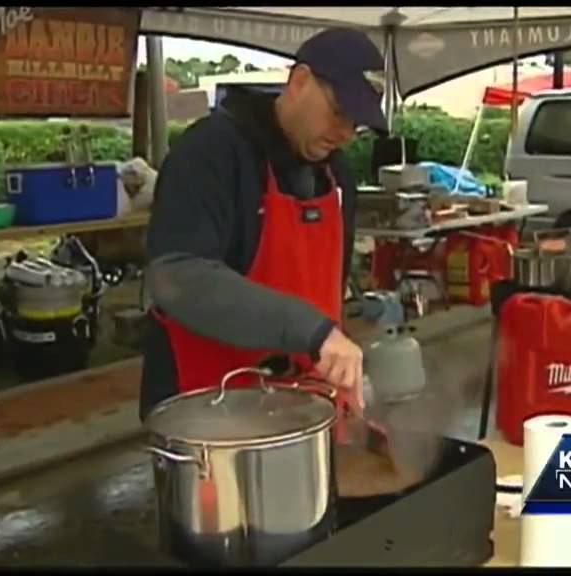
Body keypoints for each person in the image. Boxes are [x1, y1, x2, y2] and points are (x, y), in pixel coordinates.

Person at [139, 28, 388, 420]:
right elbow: (178, 277)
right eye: (339, 112)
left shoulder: (335, 175)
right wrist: (310, 330)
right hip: (208, 412)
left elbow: (329, 294)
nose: (344, 133)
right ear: (300, 81)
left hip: (299, 411)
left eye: (356, 124)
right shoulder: (211, 152)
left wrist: (338, 356)